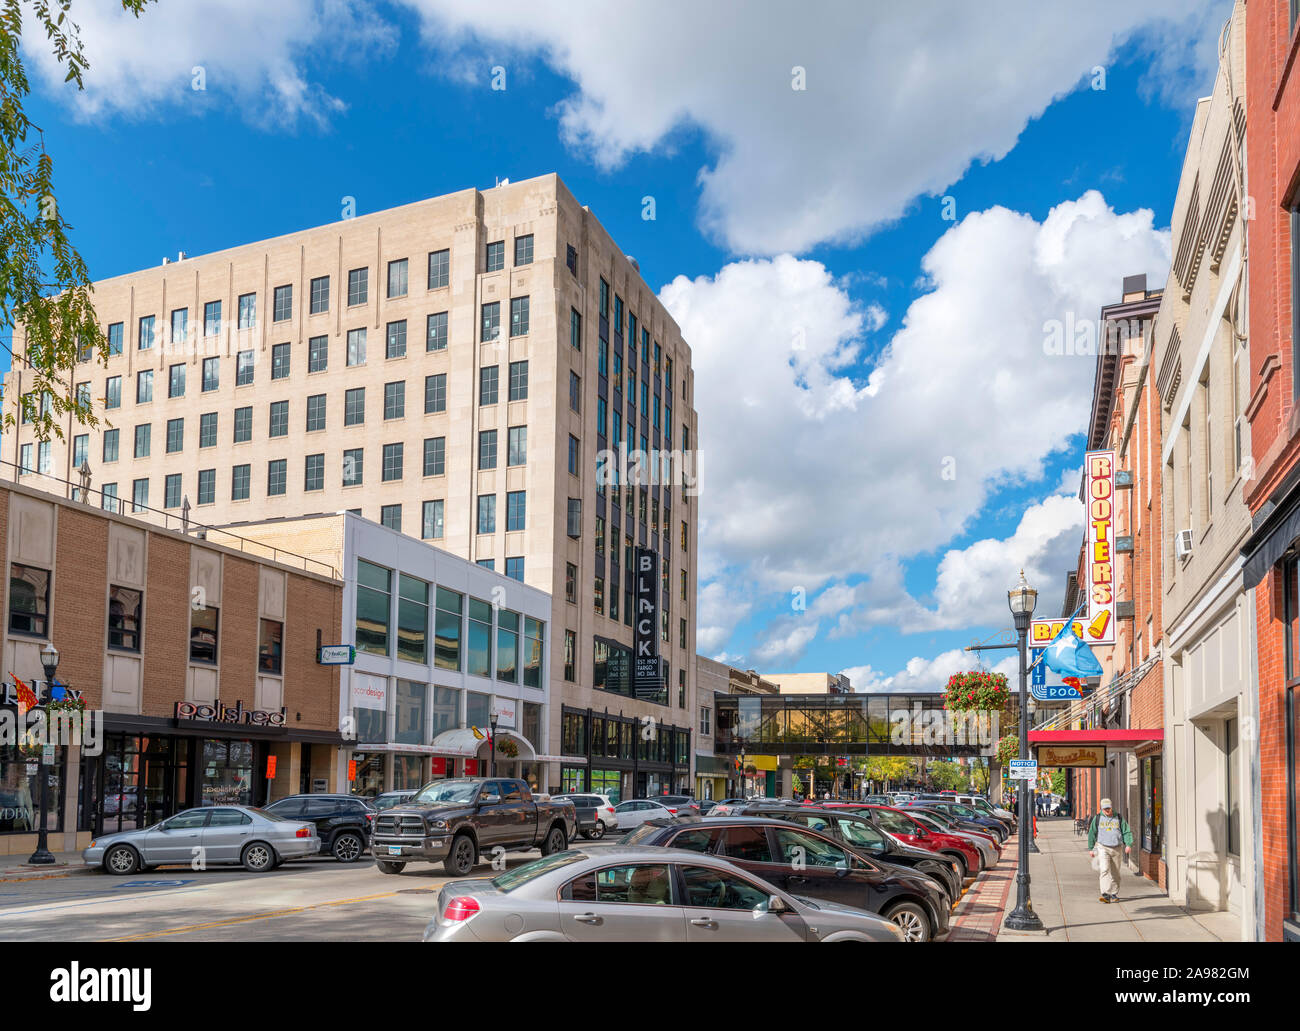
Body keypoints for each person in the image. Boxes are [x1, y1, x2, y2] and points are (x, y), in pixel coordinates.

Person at [1086, 798, 1133, 903]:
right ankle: (1105, 893)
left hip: (1117, 847)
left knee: (1115, 872)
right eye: (1105, 809)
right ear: (1101, 809)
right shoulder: (1098, 818)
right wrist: (1091, 848)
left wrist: (1128, 844)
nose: (1107, 810)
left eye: (1108, 808)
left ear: (1112, 807)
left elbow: (1126, 831)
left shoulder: (1119, 817)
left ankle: (1114, 893)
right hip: (1103, 847)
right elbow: (1092, 833)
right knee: (1104, 869)